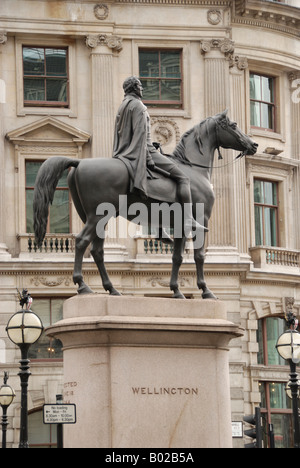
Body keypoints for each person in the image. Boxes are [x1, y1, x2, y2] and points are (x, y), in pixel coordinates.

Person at [113, 76, 207, 237]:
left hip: (129, 150)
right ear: (134, 88)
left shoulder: (124, 106)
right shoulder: (138, 106)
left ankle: (160, 228)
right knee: (183, 178)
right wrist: (148, 158)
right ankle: (189, 219)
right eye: (140, 86)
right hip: (144, 151)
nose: (142, 89)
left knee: (163, 177)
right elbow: (141, 134)